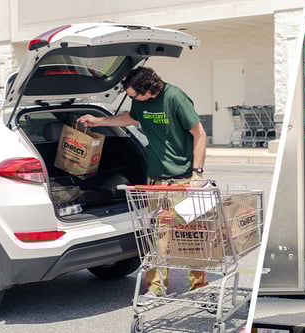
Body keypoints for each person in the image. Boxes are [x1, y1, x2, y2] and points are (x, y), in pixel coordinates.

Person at [78, 66, 208, 302]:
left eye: (135, 96)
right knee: (158, 235)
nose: (132, 99)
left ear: (150, 89)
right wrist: (100, 121)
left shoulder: (175, 97)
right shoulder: (139, 101)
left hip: (183, 179)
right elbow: (130, 117)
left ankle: (198, 286)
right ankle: (156, 287)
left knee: (191, 236)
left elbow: (199, 133)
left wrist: (197, 173)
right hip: (156, 179)